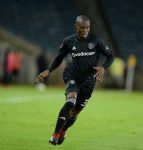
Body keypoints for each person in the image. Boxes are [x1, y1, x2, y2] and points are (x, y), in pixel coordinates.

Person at [35, 15, 114, 145]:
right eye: (82, 28)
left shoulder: (96, 40)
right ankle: (55, 134)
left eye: (87, 28)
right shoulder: (69, 41)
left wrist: (103, 68)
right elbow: (59, 58)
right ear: (75, 27)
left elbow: (110, 56)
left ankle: (64, 130)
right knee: (70, 101)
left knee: (74, 113)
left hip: (89, 82)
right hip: (72, 75)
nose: (85, 31)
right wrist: (49, 70)